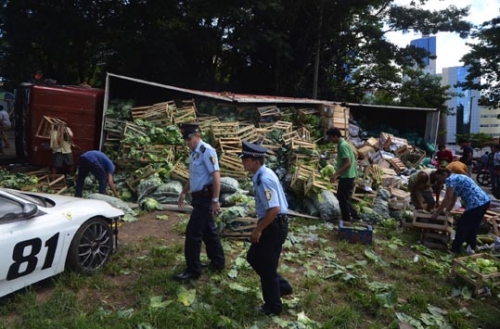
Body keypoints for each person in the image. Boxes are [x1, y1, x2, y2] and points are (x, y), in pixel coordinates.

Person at [239, 140, 292, 316]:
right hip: (272, 224)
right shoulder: (262, 175)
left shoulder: (264, 179)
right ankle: (282, 287)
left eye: (245, 159)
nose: (243, 162)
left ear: (256, 161)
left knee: (267, 268)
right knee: (253, 257)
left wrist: (258, 230)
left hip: (273, 226)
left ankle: (273, 306)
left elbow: (274, 209)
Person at [175, 123, 225, 281]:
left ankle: (193, 270)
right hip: (198, 198)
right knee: (209, 231)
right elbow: (193, 177)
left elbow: (216, 176)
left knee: (193, 234)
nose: (188, 142)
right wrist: (184, 191)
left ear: (198, 136)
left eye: (190, 139)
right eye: (186, 140)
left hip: (205, 198)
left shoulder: (207, 151)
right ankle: (218, 262)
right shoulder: (194, 153)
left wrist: (215, 200)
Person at [431, 168, 490, 255]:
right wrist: (446, 212)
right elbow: (453, 200)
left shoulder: (450, 180)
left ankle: (455, 250)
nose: (440, 181)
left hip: (476, 203)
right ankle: (471, 248)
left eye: (439, 178)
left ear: (444, 174)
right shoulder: (456, 178)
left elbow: (447, 198)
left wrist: (437, 213)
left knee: (462, 225)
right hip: (485, 201)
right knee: (473, 226)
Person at [326, 128, 360, 221]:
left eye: (330, 137)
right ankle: (355, 216)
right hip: (348, 175)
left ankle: (346, 220)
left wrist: (335, 175)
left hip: (347, 176)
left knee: (342, 199)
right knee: (343, 197)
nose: (330, 139)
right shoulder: (342, 143)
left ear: (336, 136)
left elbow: (348, 163)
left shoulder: (342, 146)